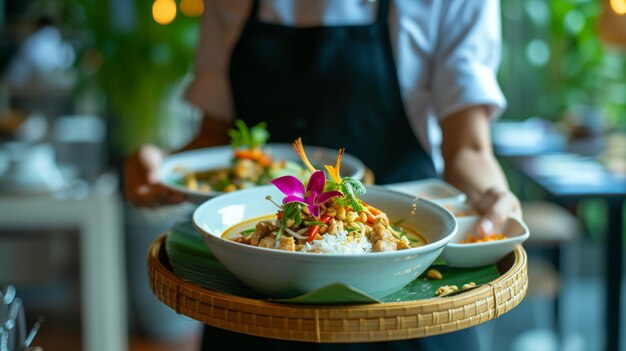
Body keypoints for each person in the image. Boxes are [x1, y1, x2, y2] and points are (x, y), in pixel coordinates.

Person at [124, 0, 521, 350]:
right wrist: (160, 165)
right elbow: (215, 137)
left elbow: (468, 148)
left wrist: (492, 194)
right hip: (256, 309)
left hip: (407, 299)